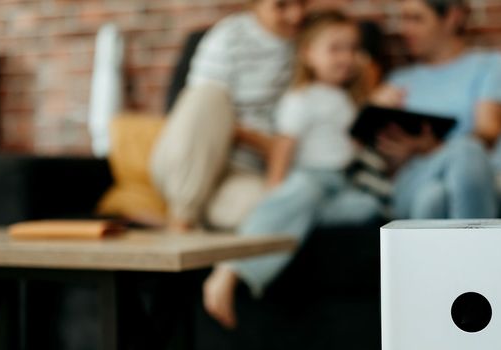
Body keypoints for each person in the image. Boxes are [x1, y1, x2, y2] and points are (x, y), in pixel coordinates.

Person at [203, 10, 382, 329]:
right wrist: (275, 187)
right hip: (310, 178)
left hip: (341, 187)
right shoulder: (301, 99)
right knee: (302, 193)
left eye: (353, 48)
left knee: (368, 206)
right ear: (308, 54)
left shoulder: (350, 99)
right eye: (335, 48)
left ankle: (294, 216)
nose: (347, 57)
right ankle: (229, 270)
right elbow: (284, 146)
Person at [151, 0, 306, 232]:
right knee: (207, 96)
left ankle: (193, 216)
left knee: (272, 208)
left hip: (244, 173)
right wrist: (268, 144)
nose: (296, 15)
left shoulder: (309, 44)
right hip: (191, 161)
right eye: (281, 6)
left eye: (303, 3)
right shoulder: (228, 37)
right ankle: (182, 217)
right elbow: (202, 116)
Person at [372, 0, 501, 219]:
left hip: (494, 176)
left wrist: (428, 148)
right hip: (421, 178)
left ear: (452, 17)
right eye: (403, 19)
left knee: (456, 166)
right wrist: (375, 113)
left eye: (416, 19)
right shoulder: (396, 83)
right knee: (432, 193)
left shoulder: (490, 65)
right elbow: (388, 167)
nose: (405, 29)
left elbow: (486, 136)